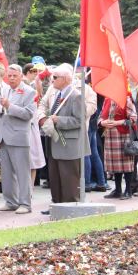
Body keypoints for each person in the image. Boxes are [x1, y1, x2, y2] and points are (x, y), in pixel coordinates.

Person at [36, 64, 85, 209]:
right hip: (55, 142)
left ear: (65, 79)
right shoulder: (57, 94)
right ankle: (57, 206)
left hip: (68, 145)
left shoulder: (75, 96)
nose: (52, 80)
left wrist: (59, 120)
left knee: (69, 179)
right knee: (55, 178)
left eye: (55, 77)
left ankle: (70, 208)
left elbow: (80, 121)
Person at [0, 64, 37, 214]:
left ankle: (25, 203)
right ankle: (10, 201)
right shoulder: (4, 90)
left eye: (14, 76)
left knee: (22, 172)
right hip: (4, 137)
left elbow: (28, 114)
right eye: (9, 76)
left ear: (21, 76)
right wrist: (0, 108)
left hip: (19, 137)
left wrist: (9, 106)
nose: (11, 78)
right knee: (6, 172)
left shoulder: (29, 91)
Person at [99, 93, 138, 199]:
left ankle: (128, 190)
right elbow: (100, 117)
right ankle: (118, 190)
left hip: (124, 135)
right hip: (110, 136)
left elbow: (133, 119)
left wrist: (117, 123)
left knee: (126, 164)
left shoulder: (127, 99)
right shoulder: (107, 100)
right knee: (115, 165)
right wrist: (102, 123)